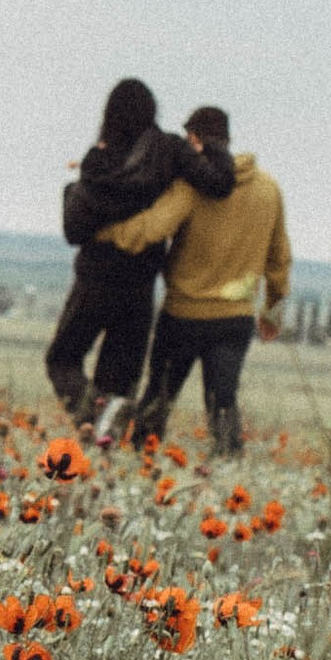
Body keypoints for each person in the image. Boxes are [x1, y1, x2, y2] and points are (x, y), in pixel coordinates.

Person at [46, 82, 234, 433]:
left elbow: (75, 229)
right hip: (139, 280)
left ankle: (89, 417)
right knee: (119, 375)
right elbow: (220, 183)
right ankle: (106, 433)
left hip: (96, 276)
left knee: (63, 358)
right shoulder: (171, 151)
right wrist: (210, 146)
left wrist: (77, 190)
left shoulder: (98, 161)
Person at [104, 103, 289, 450]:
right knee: (223, 404)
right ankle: (229, 477)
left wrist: (104, 232)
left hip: (183, 316)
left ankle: (140, 467)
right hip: (236, 320)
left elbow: (151, 230)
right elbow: (279, 258)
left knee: (157, 402)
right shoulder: (268, 189)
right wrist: (272, 309)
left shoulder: (193, 186)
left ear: (194, 140)